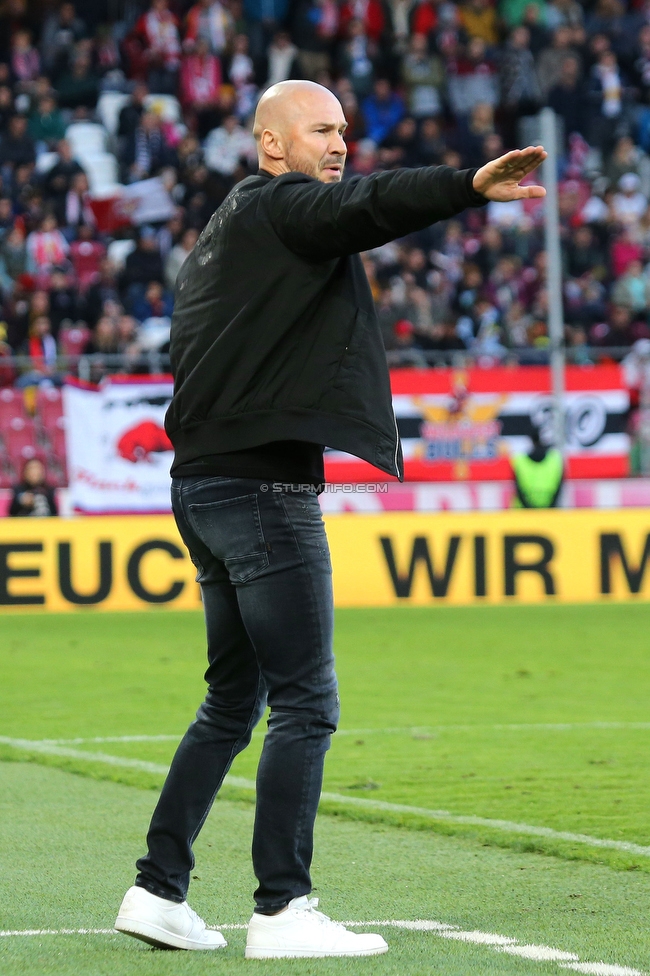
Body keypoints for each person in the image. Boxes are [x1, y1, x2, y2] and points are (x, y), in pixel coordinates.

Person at [114, 79, 546, 959]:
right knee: (306, 701)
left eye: (344, 129)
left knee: (233, 702)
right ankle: (282, 908)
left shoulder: (235, 227)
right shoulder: (284, 208)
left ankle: (157, 892)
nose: (339, 143)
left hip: (204, 484)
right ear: (272, 146)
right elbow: (366, 206)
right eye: (320, 130)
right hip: (263, 493)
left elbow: (350, 204)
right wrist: (465, 185)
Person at [512, 426, 564, 507]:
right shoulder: (555, 459)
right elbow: (559, 489)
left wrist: (530, 510)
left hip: (523, 515)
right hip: (550, 514)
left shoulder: (519, 460)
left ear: (531, 440)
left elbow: (518, 489)